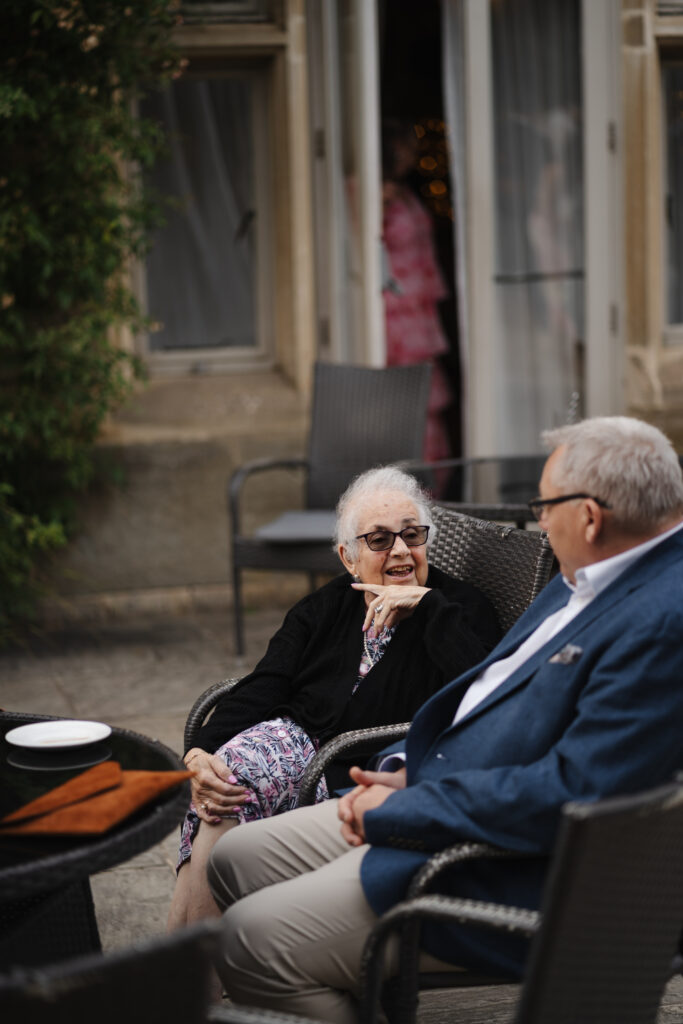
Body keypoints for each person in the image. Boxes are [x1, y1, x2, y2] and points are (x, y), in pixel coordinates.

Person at [207, 416, 683, 1024]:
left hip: (506, 866)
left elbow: (579, 793)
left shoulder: (661, 619)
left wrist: (410, 807)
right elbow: (508, 703)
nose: (538, 520)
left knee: (249, 940)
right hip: (441, 791)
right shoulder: (584, 576)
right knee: (233, 857)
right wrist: (410, 770)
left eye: (544, 505)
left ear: (589, 516)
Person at [167, 465, 500, 945]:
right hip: (295, 744)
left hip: (360, 767)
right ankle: (192, 973)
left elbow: (481, 690)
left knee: (226, 796)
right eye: (380, 540)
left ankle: (188, 978)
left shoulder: (460, 609)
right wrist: (200, 752)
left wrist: (427, 609)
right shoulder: (324, 607)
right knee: (223, 779)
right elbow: (266, 684)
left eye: (412, 534)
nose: (402, 551)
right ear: (349, 557)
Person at [381, 118, 454, 464]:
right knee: (401, 401)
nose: (414, 153)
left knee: (425, 402)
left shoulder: (406, 192)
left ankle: (430, 485)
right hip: (394, 309)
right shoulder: (370, 193)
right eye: (408, 144)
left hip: (417, 308)